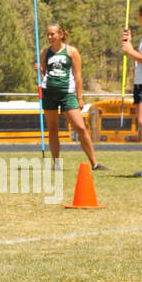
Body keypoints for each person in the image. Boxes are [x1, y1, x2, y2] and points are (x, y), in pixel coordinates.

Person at [37, 23, 103, 173]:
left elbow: (78, 76)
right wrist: (39, 71)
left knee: (80, 127)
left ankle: (94, 163)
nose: (49, 37)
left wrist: (79, 97)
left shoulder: (71, 51)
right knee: (53, 129)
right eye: (47, 34)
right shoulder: (44, 52)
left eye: (52, 34)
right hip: (49, 93)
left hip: (67, 94)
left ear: (61, 35)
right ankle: (57, 163)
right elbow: (42, 75)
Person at [122, 3, 142, 176]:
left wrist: (129, 50)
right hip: (139, 84)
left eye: (139, 15)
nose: (138, 18)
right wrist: (129, 43)